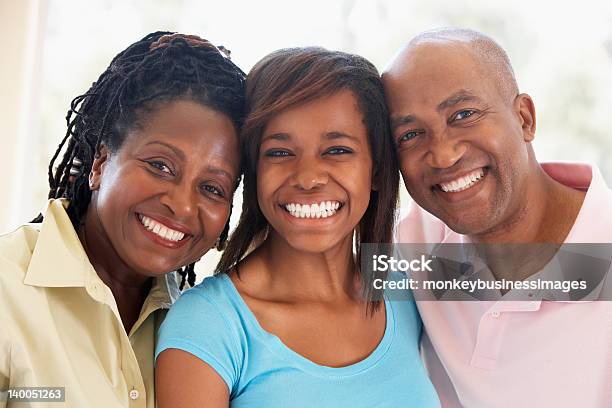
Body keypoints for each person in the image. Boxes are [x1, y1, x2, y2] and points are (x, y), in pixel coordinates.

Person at [155, 47, 440, 407]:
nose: (307, 178)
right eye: (279, 152)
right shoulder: (208, 323)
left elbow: (528, 277)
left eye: (337, 150)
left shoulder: (407, 280)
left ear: (378, 171)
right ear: (255, 171)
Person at [0, 32, 245, 407]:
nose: (181, 206)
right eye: (160, 166)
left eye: (212, 188)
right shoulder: (7, 291)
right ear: (100, 162)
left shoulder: (203, 329)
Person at [382, 28, 612, 407]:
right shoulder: (415, 242)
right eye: (410, 135)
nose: (443, 155)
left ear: (524, 118)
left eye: (463, 114)